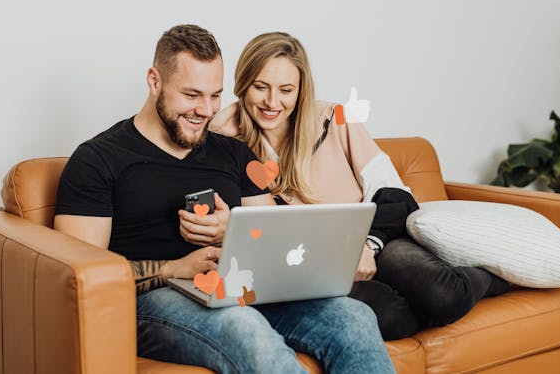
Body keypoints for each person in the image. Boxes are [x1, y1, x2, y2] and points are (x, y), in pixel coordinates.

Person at [53, 24, 396, 374]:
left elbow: (270, 241)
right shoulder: (99, 159)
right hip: (152, 301)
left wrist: (230, 231)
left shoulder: (235, 154)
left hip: (237, 287)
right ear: (155, 81)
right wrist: (173, 269)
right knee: (243, 328)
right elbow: (76, 275)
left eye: (215, 95)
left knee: (353, 317)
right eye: (191, 95)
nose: (205, 110)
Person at [210, 31, 510, 340]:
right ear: (243, 84)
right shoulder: (225, 138)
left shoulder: (333, 118)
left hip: (376, 241)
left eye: (286, 90)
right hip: (315, 266)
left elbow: (394, 193)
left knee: (443, 296)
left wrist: (367, 246)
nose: (272, 102)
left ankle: (491, 277)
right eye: (260, 87)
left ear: (301, 91)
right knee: (391, 319)